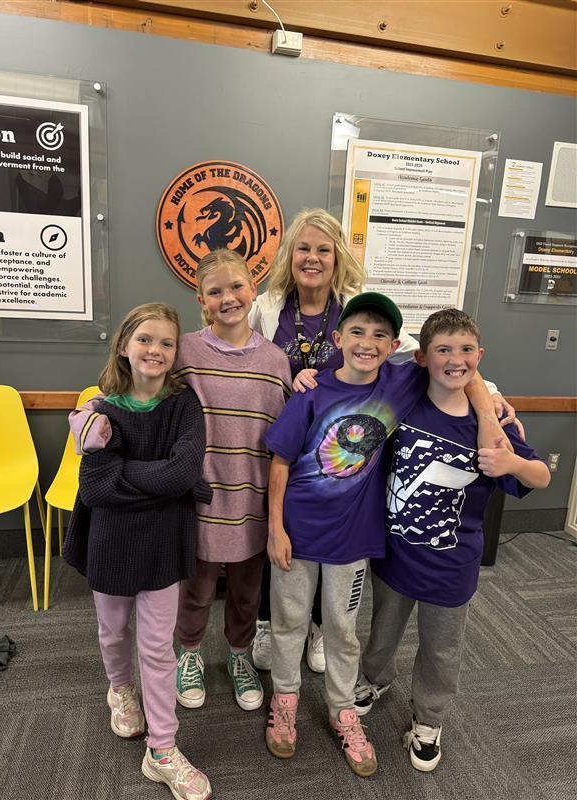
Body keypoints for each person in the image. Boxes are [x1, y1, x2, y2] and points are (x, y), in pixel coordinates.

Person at [261, 293, 504, 777]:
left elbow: (464, 369)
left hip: (352, 543)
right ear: (337, 340)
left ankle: (342, 710)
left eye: (379, 336)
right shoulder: (311, 395)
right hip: (297, 537)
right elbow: (280, 462)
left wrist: (492, 413)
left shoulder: (400, 380)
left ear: (394, 345)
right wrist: (274, 530)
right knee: (288, 623)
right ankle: (285, 701)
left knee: (342, 631)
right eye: (356, 332)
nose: (367, 343)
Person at [353, 308, 550, 773]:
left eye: (465, 351)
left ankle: (429, 718)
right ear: (423, 357)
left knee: (442, 649)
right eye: (443, 350)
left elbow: (540, 475)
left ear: (479, 357)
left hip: (451, 563)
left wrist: (512, 465)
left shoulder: (493, 426)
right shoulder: (406, 401)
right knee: (382, 629)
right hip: (396, 554)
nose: (454, 359)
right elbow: (368, 359)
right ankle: (375, 678)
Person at [248, 208, 420, 673]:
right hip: (283, 434)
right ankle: (269, 622)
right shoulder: (267, 307)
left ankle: (322, 629)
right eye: (303, 247)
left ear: (337, 256)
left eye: (323, 249)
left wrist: (490, 398)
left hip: (342, 445)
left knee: (336, 548)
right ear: (290, 254)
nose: (313, 257)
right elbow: (240, 355)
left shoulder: (356, 309)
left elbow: (423, 355)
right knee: (282, 539)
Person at [63, 303, 213, 800]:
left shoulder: (185, 404)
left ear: (176, 352)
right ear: (125, 345)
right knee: (112, 630)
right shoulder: (100, 413)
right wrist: (166, 481)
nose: (156, 350)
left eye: (167, 343)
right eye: (146, 339)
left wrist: (133, 472)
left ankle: (163, 750)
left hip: (164, 545)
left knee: (157, 647)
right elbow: (97, 489)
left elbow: (183, 472)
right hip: (111, 541)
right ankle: (119, 688)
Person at [172, 249, 291, 714]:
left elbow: (286, 434)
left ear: (254, 290)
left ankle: (240, 656)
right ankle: (190, 653)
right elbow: (135, 391)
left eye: (236, 287)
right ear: (200, 301)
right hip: (200, 497)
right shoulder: (183, 350)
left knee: (246, 589)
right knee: (197, 588)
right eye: (215, 291)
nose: (228, 298)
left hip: (254, 497)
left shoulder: (277, 360)